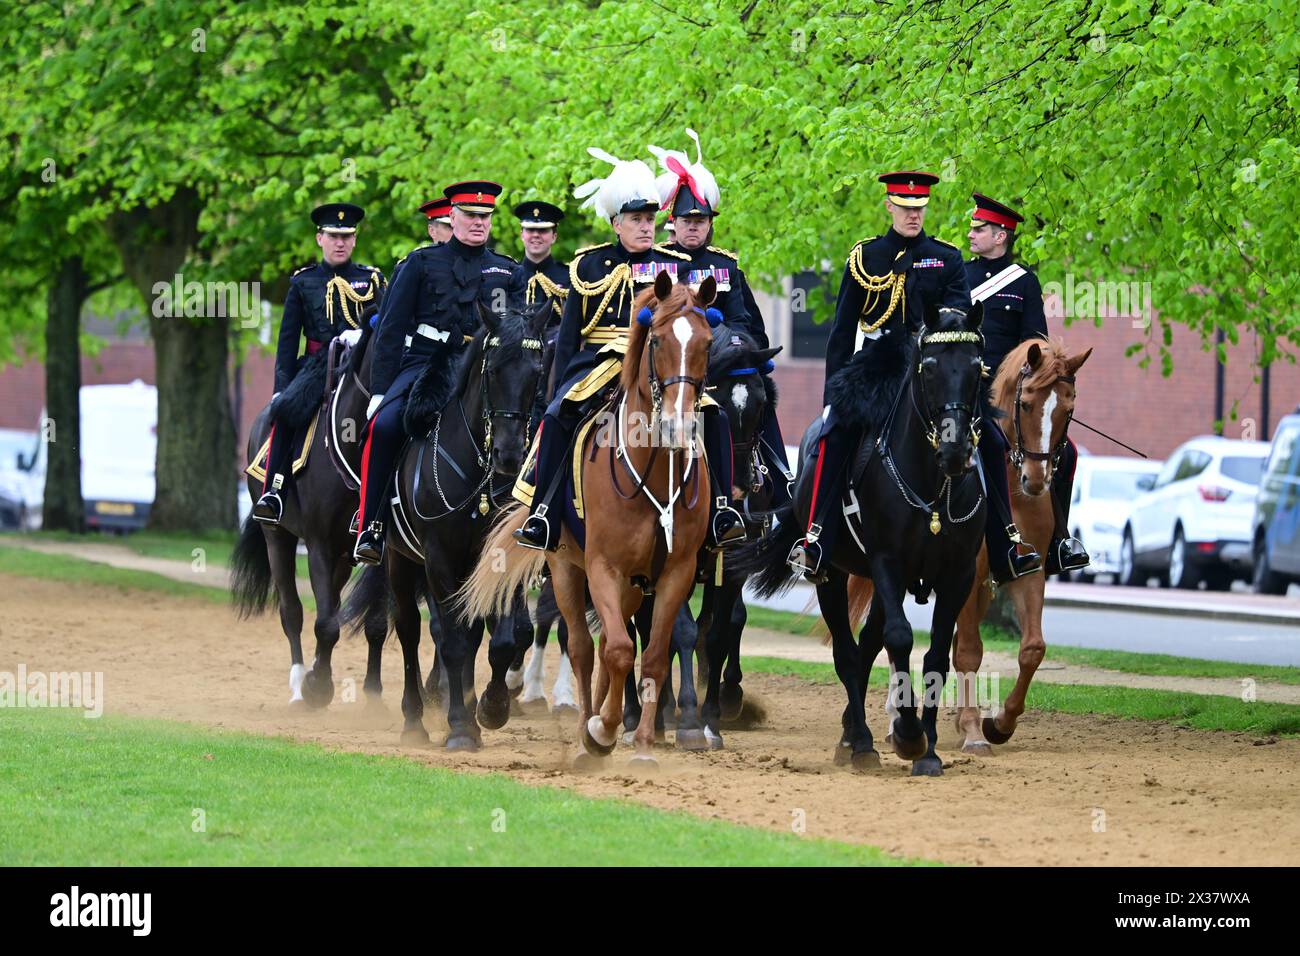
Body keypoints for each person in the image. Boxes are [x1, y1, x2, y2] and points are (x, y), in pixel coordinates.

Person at [511, 146, 743, 552]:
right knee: (557, 414)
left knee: (715, 416)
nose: (646, 227)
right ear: (616, 223)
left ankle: (722, 508)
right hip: (599, 361)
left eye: (651, 219)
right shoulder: (587, 264)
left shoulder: (673, 265)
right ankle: (542, 511)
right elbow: (568, 339)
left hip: (661, 362)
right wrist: (561, 383)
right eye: (636, 219)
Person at [786, 171, 1012, 583]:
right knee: (832, 434)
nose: (914, 216)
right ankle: (816, 538)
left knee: (993, 441)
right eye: (906, 208)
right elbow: (841, 333)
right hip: (878, 366)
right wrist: (832, 396)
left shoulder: (946, 257)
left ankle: (1005, 545)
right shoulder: (865, 257)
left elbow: (960, 321)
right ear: (889, 206)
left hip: (936, 371)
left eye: (920, 208)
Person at [353, 181, 518, 564]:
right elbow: (391, 329)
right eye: (471, 216)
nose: (479, 223)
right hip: (426, 362)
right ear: (453, 217)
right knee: (384, 426)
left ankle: (528, 526)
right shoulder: (421, 263)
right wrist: (380, 390)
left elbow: (519, 329)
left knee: (520, 428)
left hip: (482, 368)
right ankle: (372, 526)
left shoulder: (507, 270)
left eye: (486, 217)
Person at [651, 128, 793, 509]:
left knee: (757, 391)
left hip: (722, 364)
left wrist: (730, 342)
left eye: (701, 220)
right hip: (673, 363)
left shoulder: (725, 265)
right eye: (686, 220)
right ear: (673, 223)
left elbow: (748, 322)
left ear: (710, 224)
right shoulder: (656, 263)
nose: (694, 226)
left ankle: (777, 480)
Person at [966, 192, 1088, 576]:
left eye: (979, 229)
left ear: (1000, 236)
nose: (971, 234)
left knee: (1066, 453)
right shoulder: (959, 276)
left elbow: (1037, 346)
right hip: (966, 390)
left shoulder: (1024, 283)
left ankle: (1061, 541)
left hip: (1011, 395)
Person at [253, 202, 385, 525]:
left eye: (346, 236)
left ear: (354, 240)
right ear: (319, 239)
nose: (340, 242)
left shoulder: (373, 279)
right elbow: (287, 343)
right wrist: (279, 389)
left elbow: (386, 329)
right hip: (316, 366)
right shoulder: (303, 282)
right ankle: (275, 489)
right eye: (333, 236)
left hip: (360, 365)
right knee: (285, 411)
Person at [512, 200, 570, 312]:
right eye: (530, 229)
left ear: (554, 236)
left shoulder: (569, 278)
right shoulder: (510, 276)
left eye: (543, 230)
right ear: (522, 235)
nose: (536, 235)